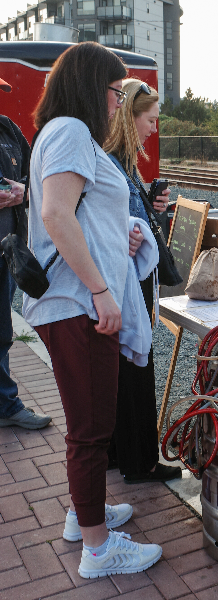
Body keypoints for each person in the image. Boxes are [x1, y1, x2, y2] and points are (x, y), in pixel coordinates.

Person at [22, 42, 162, 578]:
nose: (116, 103)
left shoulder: (62, 133)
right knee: (90, 428)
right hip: (78, 303)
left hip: (76, 300)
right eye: (112, 91)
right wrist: (103, 290)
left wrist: (123, 232)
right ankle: (100, 551)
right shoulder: (71, 132)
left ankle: (88, 515)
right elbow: (58, 215)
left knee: (92, 422)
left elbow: (82, 213)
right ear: (90, 86)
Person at [104, 78, 181, 484]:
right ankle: (142, 463)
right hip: (126, 286)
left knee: (123, 372)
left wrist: (153, 210)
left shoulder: (122, 163)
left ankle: (121, 454)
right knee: (136, 368)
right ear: (130, 118)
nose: (154, 128)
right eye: (150, 120)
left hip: (124, 283)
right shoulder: (116, 165)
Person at [0, 76, 51, 431]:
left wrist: (24, 191)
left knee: (2, 329)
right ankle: (6, 404)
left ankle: (4, 403)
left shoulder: (7, 129)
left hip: (8, 252)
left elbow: (41, 176)